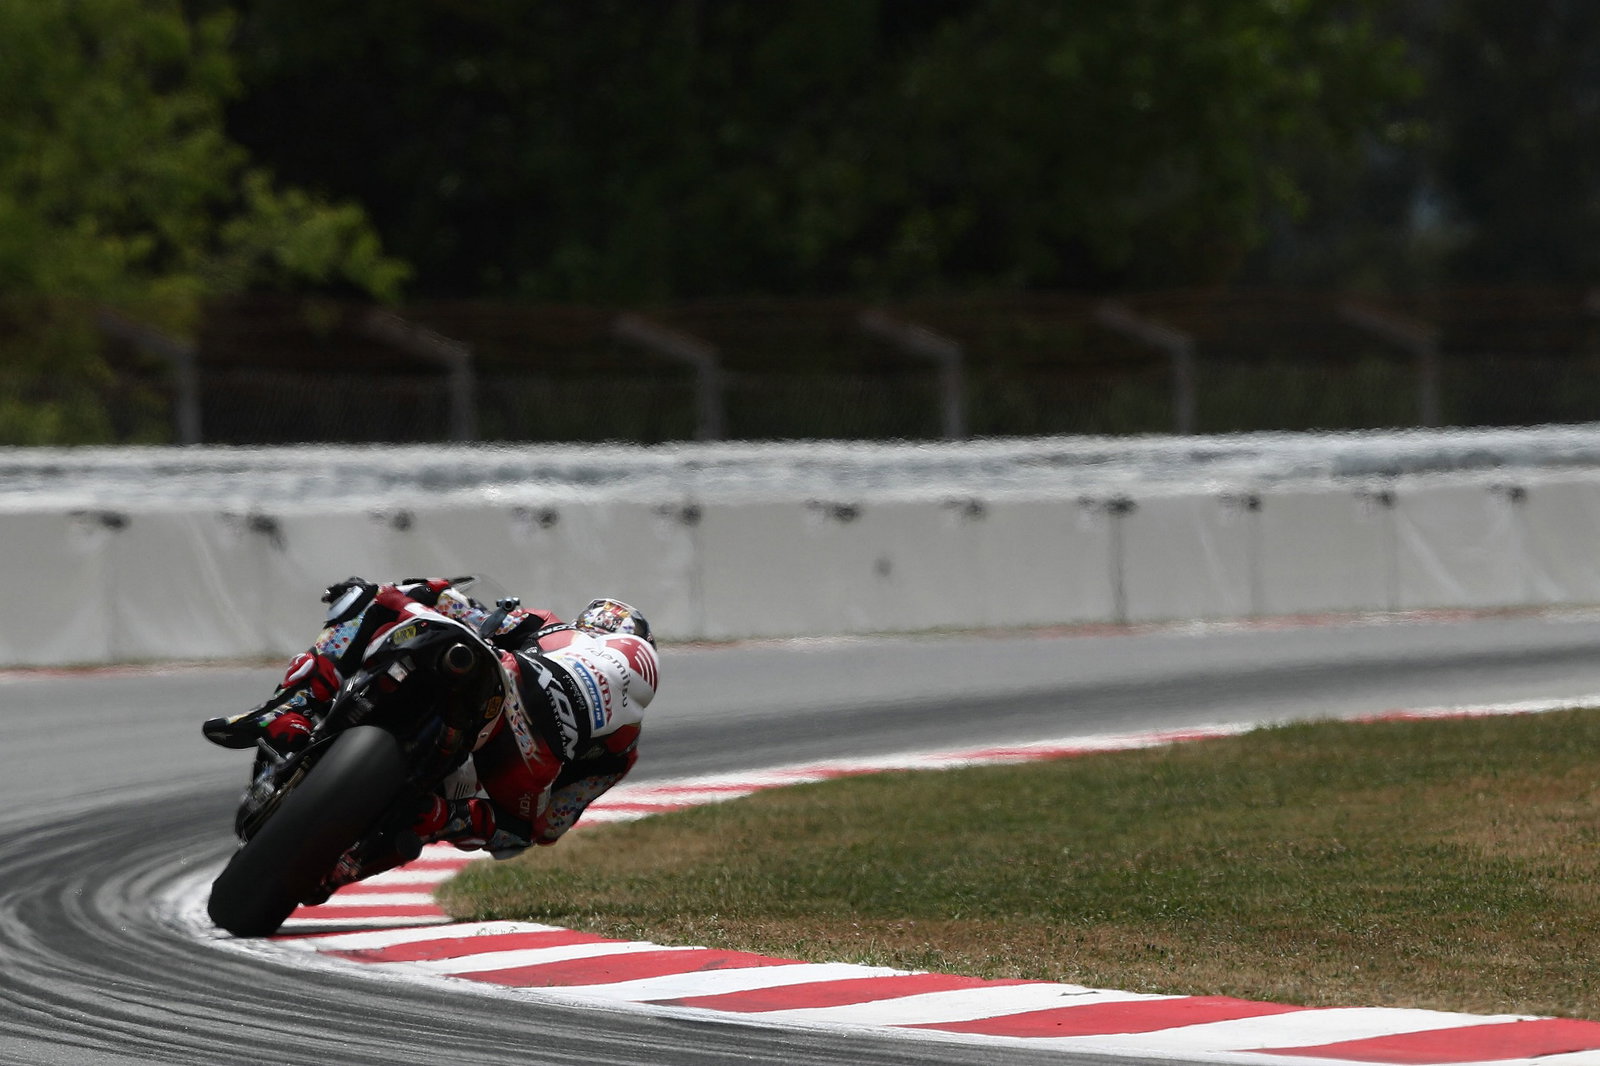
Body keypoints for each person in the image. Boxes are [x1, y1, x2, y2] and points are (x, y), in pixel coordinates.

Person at [203, 576, 659, 869]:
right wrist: (459, 821)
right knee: (504, 830)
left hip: (498, 688)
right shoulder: (621, 749)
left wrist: (431, 588)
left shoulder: (548, 626)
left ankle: (292, 708)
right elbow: (550, 825)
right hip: (517, 768)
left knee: (371, 598)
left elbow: (466, 612)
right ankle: (391, 841)